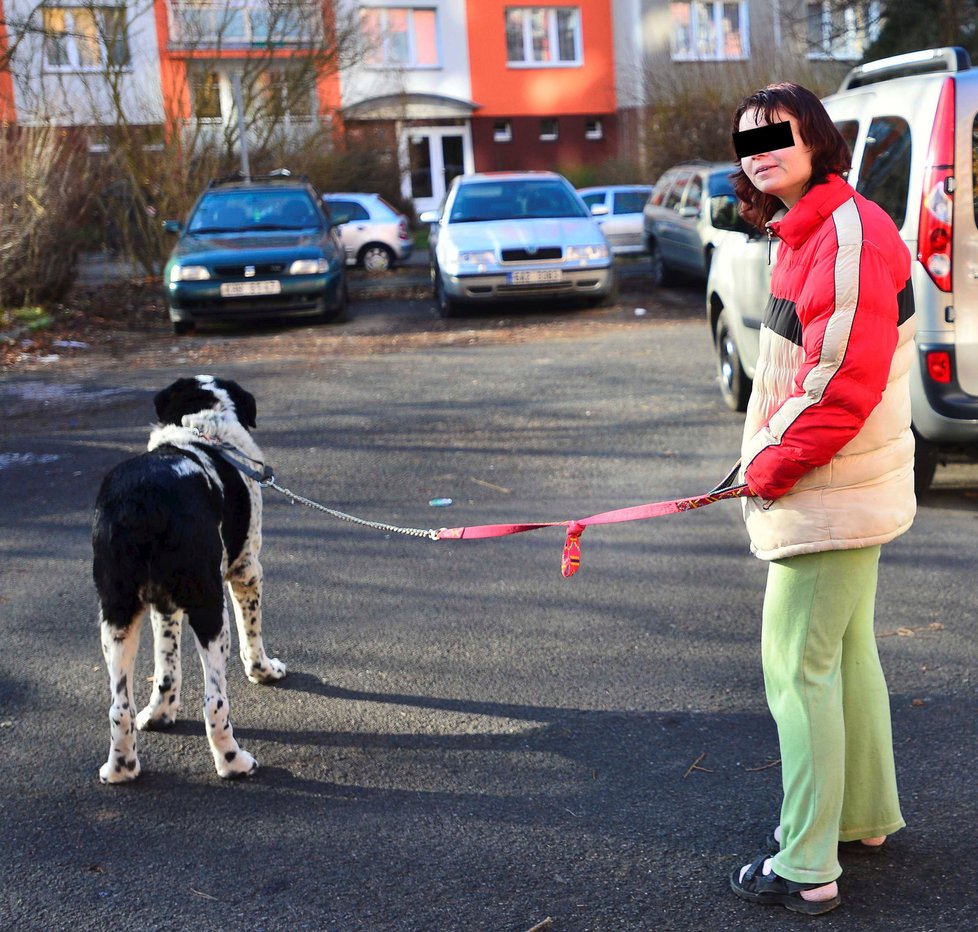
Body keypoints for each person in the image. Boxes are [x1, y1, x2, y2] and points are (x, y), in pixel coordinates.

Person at [727, 82, 916, 915]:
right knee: (844, 655)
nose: (759, 151)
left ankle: (807, 864)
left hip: (827, 486)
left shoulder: (842, 233)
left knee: (795, 669)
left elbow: (841, 382)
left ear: (819, 141)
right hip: (843, 483)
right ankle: (865, 817)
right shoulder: (810, 226)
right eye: (746, 142)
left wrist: (768, 466)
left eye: (776, 135)